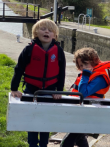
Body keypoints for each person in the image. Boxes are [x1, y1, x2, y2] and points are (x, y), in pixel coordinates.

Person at [10, 19, 66, 147]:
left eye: (50, 30)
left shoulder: (59, 51)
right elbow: (19, 69)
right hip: (31, 90)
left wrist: (59, 91)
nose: (47, 31)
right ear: (35, 32)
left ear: (55, 36)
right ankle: (33, 144)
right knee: (32, 120)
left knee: (45, 121)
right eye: (43, 29)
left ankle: (44, 144)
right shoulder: (29, 49)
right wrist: (14, 88)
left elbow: (61, 73)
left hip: (50, 91)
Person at [61, 47, 110, 147]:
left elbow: (82, 93)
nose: (82, 68)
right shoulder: (87, 73)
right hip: (79, 111)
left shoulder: (100, 77)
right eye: (80, 65)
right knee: (80, 138)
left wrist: (85, 75)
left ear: (94, 61)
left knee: (68, 141)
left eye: (85, 64)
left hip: (89, 113)